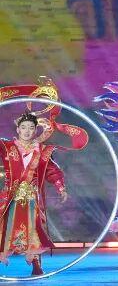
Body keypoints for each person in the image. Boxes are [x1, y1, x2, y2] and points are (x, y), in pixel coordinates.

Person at [0, 112, 72, 275]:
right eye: (24, 127)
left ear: (35, 131)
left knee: (34, 230)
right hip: (10, 196)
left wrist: (61, 188)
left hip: (32, 198)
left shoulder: (42, 151)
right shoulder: (7, 147)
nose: (27, 131)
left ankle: (36, 263)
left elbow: (52, 171)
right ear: (18, 129)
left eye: (31, 128)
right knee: (4, 227)